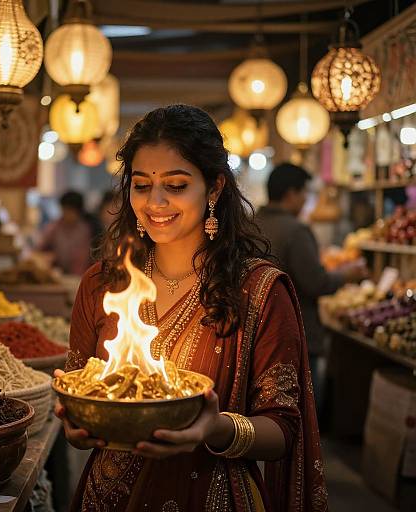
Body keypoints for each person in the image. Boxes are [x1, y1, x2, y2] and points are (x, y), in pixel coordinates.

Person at [55, 105, 327, 511]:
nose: (156, 202)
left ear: (214, 188)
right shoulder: (102, 282)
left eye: (177, 185)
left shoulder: (258, 290)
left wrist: (213, 428)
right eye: (142, 185)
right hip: (108, 498)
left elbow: (284, 430)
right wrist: (75, 422)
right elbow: (77, 390)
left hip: (212, 495)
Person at [255, 163, 366, 410]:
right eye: (305, 193)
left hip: (257, 332)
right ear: (291, 193)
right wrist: (346, 275)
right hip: (296, 331)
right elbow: (315, 282)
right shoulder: (296, 230)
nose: (306, 200)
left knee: (267, 409)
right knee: (299, 413)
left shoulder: (249, 223)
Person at [37, 190, 93, 275]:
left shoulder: (84, 230)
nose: (67, 214)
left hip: (79, 276)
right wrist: (47, 257)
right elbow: (39, 249)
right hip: (58, 275)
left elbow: (83, 258)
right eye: (65, 210)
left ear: (78, 212)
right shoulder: (54, 228)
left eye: (71, 211)